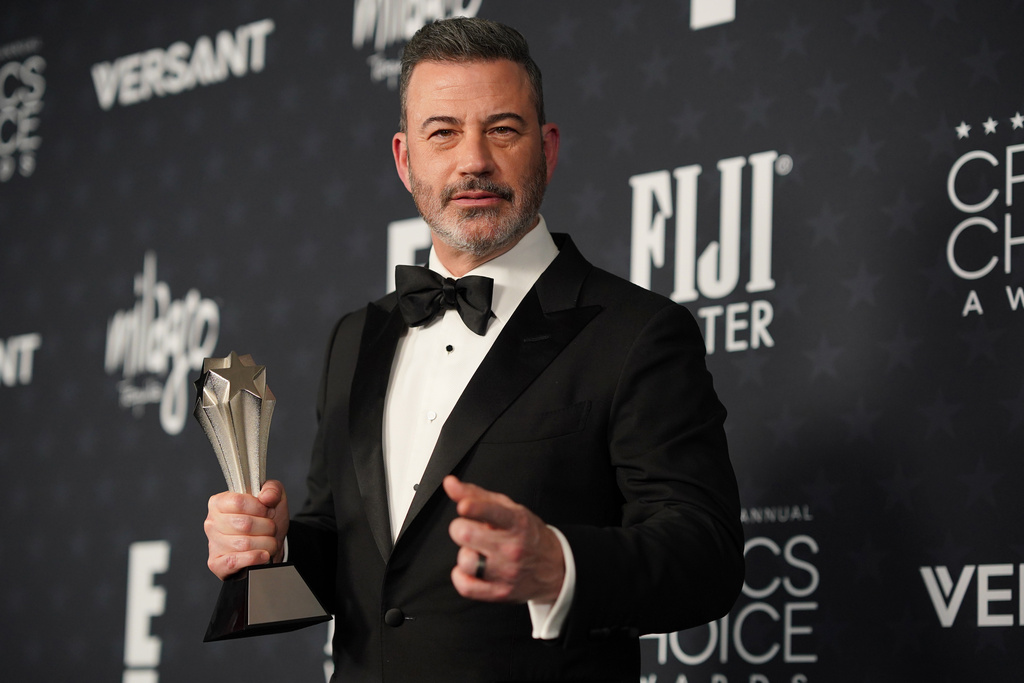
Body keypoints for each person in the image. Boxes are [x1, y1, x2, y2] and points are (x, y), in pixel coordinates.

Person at [205, 17, 743, 682]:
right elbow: (350, 568)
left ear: (547, 148)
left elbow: (708, 558)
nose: (474, 160)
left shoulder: (637, 332)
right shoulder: (356, 337)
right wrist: (271, 550)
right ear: (405, 160)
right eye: (444, 132)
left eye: (503, 129)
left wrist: (559, 563)